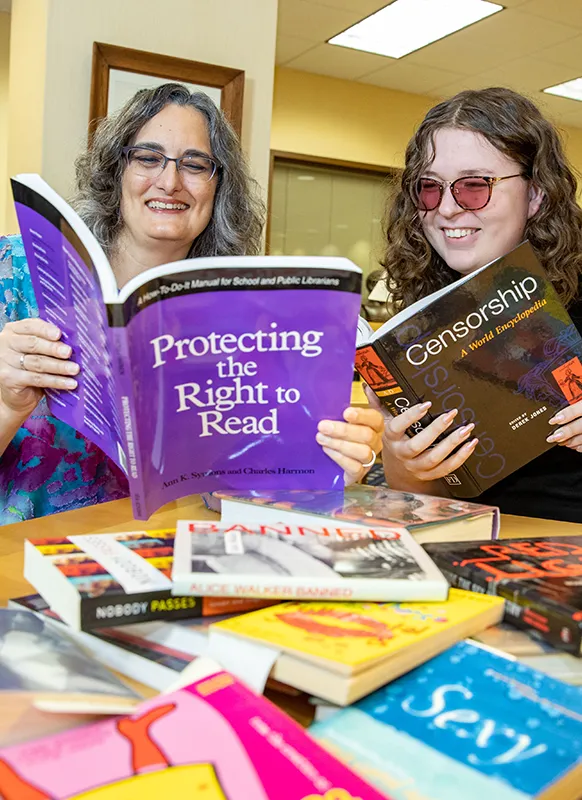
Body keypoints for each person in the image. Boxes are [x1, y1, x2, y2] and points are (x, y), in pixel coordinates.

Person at [0, 83, 383, 524]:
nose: (170, 181)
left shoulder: (247, 317)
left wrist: (330, 465)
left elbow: (238, 495)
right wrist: (9, 403)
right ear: (116, 171)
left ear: (219, 187)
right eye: (148, 158)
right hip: (21, 559)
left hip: (165, 554)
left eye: (196, 165)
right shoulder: (17, 271)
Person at [376, 86, 582, 523]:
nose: (447, 209)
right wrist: (405, 459)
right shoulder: (421, 314)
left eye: (474, 186)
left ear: (537, 194)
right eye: (429, 188)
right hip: (467, 542)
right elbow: (414, 492)